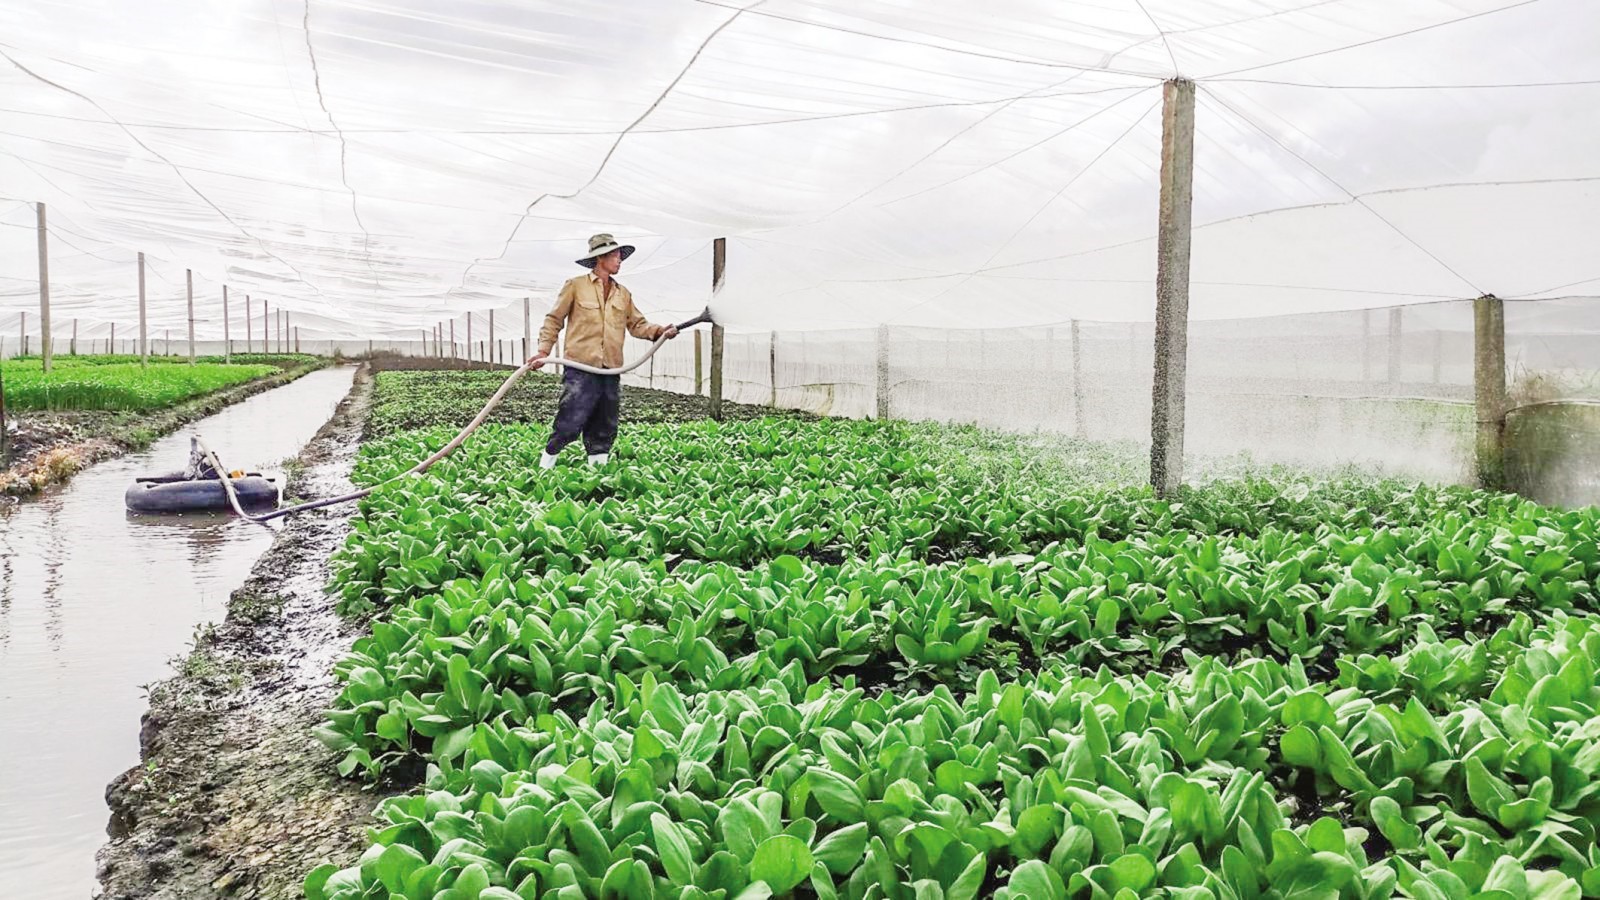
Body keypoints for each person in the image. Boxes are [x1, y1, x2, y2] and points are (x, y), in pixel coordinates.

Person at [526, 234, 679, 468]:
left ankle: (598, 474)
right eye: (615, 256)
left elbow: (637, 325)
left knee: (604, 423)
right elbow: (554, 319)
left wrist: (660, 331)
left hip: (610, 368)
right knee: (571, 419)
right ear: (601, 258)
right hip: (580, 367)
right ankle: (545, 467)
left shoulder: (623, 293)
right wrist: (543, 351)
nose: (619, 260)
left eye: (619, 256)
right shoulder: (575, 286)